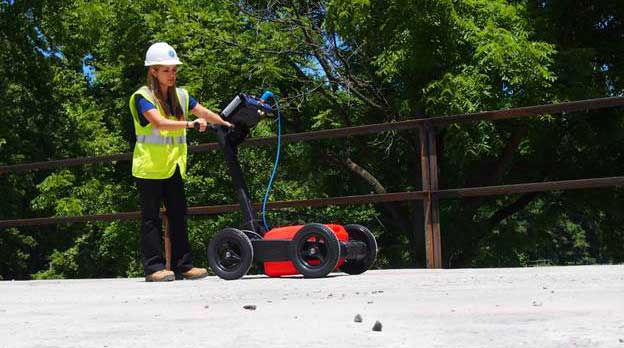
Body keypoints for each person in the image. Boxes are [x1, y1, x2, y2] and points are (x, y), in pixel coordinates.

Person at [129, 42, 233, 282]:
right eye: (166, 70)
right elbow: (159, 123)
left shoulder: (182, 96)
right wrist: (190, 125)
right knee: (151, 219)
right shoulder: (142, 97)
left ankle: (183, 266)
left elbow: (204, 113)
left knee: (179, 215)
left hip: (173, 166)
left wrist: (226, 124)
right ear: (153, 71)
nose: (172, 74)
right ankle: (154, 268)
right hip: (149, 168)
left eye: (174, 70)